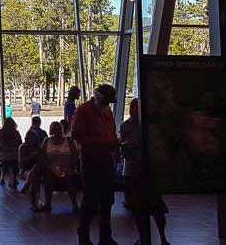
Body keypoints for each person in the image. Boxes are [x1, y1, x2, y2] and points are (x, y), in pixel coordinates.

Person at [72, 84, 120, 245]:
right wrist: (104, 143)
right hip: (91, 160)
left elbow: (111, 131)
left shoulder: (106, 111)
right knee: (90, 200)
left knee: (107, 200)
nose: (108, 105)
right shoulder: (84, 110)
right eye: (106, 101)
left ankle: (105, 237)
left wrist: (111, 145)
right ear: (98, 98)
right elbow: (78, 135)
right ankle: (84, 236)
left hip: (106, 158)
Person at [121, 98, 170, 245]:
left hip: (145, 170)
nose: (133, 110)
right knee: (139, 208)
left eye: (136, 107)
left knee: (155, 207)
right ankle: (149, 238)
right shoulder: (128, 126)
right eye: (132, 107)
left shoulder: (144, 126)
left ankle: (160, 237)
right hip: (134, 170)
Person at [37, 121, 80, 213]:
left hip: (67, 167)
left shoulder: (69, 140)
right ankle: (48, 203)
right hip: (51, 167)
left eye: (58, 129)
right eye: (54, 129)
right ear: (51, 131)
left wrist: (70, 166)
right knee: (48, 175)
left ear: (62, 130)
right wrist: (50, 166)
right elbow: (42, 155)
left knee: (70, 177)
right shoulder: (46, 140)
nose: (56, 131)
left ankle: (74, 203)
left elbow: (75, 154)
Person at [19, 130, 43, 204]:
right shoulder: (23, 147)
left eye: (33, 138)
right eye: (30, 138)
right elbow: (21, 163)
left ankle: (26, 186)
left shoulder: (39, 148)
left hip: (38, 169)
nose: (32, 140)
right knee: (35, 173)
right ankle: (35, 201)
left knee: (36, 168)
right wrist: (31, 156)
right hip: (26, 169)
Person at [0, 117, 22, 188]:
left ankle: (2, 178)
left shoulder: (0, 132)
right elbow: (20, 143)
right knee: (13, 166)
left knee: (4, 164)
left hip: (3, 154)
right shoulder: (16, 132)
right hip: (14, 154)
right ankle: (13, 179)